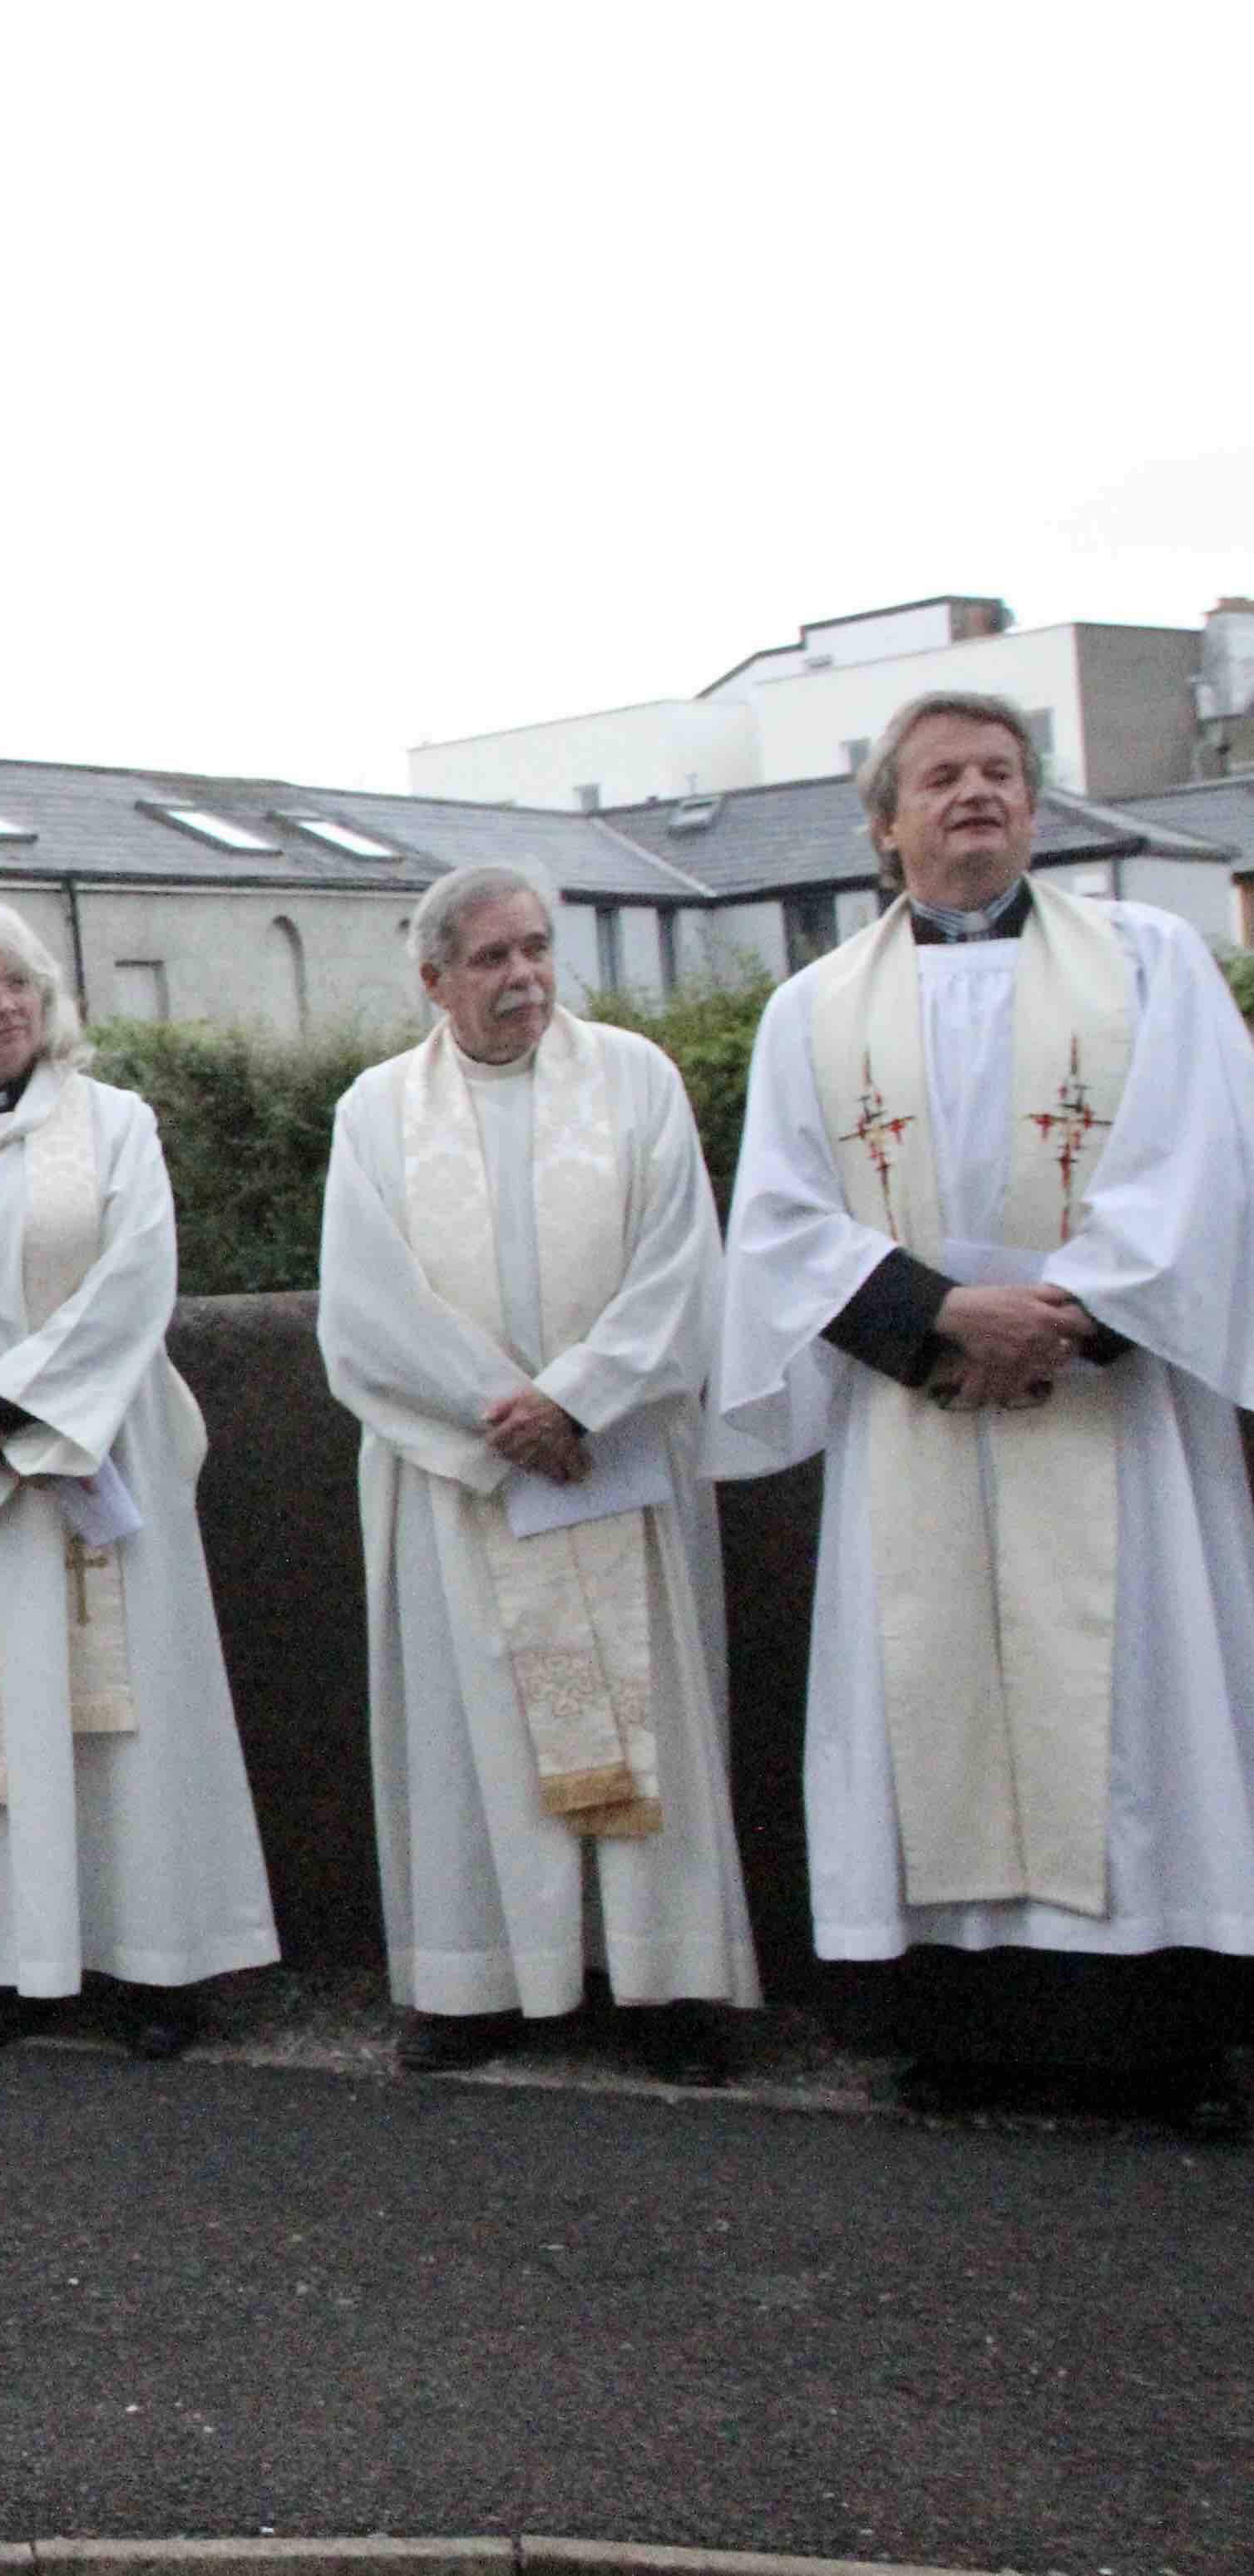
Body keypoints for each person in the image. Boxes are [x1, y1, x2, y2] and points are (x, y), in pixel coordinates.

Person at [712, 689, 1254, 2134]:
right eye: (940, 777)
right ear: (882, 823)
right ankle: (951, 2025)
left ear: (1036, 807)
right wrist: (938, 1318)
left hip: (1105, 1416)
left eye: (1002, 774)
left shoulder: (1151, 965)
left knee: (1136, 1697)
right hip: (923, 1410)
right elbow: (774, 1218)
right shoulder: (813, 1008)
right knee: (929, 1687)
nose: (976, 796)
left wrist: (1067, 1323)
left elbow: (1207, 1164)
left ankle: (1163, 2035)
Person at [318, 869, 758, 2081]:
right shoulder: (376, 1111)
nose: (525, 979)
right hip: (458, 1478)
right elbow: (364, 1306)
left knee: (641, 1710)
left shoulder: (635, 1079)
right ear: (433, 980)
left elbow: (682, 1260)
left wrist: (581, 1399)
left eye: (537, 951)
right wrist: (499, 1421)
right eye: (493, 960)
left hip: (614, 1462)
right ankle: (479, 1980)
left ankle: (662, 1979)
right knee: (478, 1732)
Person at [0, 905, 275, 2058]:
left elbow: (138, 1276)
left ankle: (154, 1966)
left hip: (98, 1454)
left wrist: (19, 1404)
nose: (5, 1006)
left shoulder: (115, 1124)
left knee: (126, 1721)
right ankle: (9, 1961)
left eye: (21, 985)